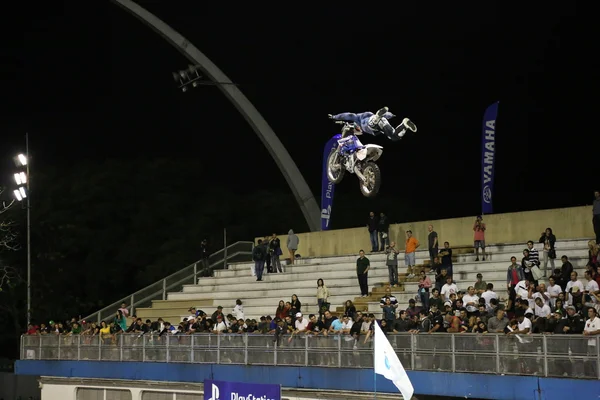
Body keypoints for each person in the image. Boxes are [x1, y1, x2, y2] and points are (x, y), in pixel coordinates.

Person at [328, 107, 417, 141]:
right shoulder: (368, 116)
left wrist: (334, 117)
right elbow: (386, 115)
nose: (358, 131)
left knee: (367, 126)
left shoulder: (358, 119)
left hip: (371, 121)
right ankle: (404, 125)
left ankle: (375, 119)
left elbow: (349, 115)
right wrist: (390, 115)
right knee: (394, 136)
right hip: (381, 121)